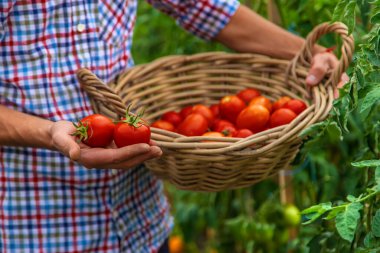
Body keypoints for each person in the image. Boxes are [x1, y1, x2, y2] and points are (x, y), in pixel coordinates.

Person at [0, 1, 347, 252]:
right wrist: (48, 132)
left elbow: (205, 8)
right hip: (40, 227)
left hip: (141, 225)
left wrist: (308, 55)